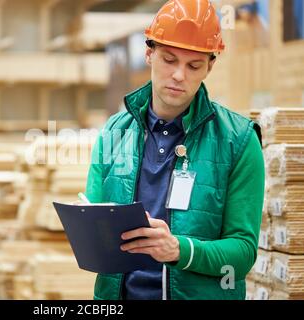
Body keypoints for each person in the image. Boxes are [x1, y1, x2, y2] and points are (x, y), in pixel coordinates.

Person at [84, 0, 265, 300]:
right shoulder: (114, 133)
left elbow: (243, 252)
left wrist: (180, 250)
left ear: (210, 66)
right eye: (169, 60)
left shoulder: (240, 141)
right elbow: (91, 221)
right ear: (149, 54)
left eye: (193, 65)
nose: (179, 75)